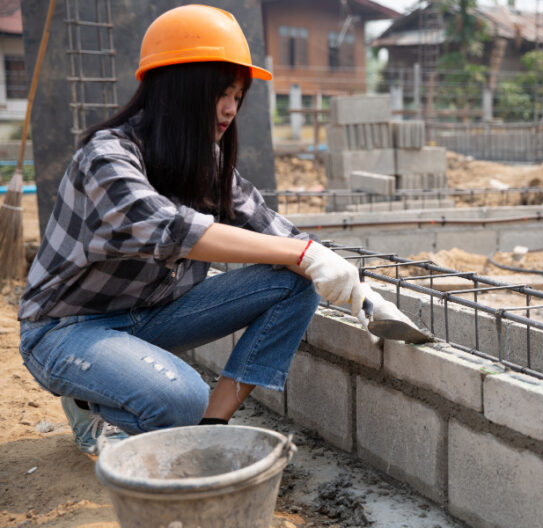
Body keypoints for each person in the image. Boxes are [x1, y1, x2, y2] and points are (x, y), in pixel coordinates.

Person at [17, 5, 369, 454]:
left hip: (147, 317)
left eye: (237, 96)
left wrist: (353, 283)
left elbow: (275, 232)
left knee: (293, 282)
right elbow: (169, 228)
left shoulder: (208, 161)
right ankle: (92, 407)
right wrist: (303, 255)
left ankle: (209, 426)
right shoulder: (108, 157)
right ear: (175, 90)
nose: (229, 109)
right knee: (177, 398)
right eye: (220, 93)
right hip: (67, 330)